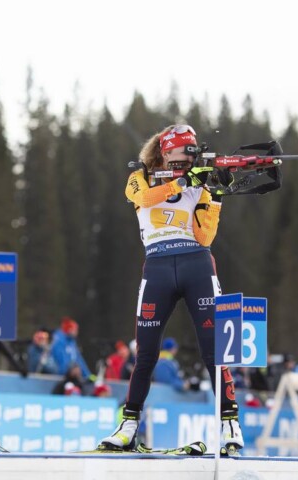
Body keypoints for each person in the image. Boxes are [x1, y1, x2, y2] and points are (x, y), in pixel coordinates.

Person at [100, 124, 243, 452]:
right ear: (165, 152)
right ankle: (128, 425)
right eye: (185, 152)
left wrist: (215, 196)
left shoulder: (199, 182)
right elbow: (144, 198)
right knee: (146, 353)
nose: (190, 159)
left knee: (215, 351)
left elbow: (205, 236)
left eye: (194, 153)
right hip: (157, 267)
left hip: (197, 264)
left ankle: (230, 424)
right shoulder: (140, 176)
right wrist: (182, 182)